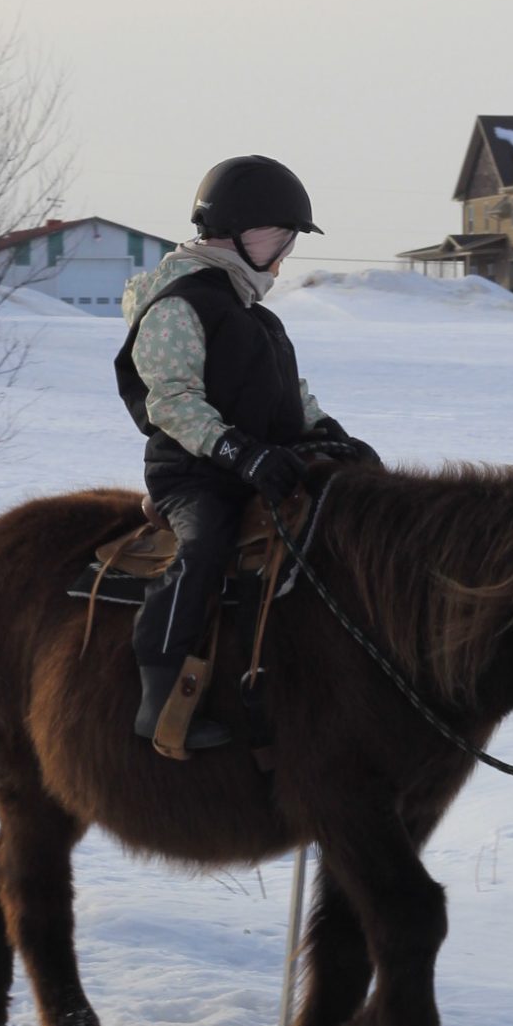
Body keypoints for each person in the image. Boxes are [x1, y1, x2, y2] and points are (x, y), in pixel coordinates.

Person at [114, 155, 376, 750]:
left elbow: (292, 395)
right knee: (205, 546)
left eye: (286, 242)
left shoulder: (254, 316)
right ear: (234, 233)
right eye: (275, 237)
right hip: (195, 475)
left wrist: (334, 435)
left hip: (261, 467)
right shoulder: (179, 304)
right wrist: (237, 450)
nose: (281, 255)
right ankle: (158, 696)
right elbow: (173, 402)